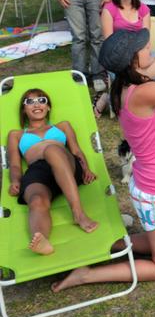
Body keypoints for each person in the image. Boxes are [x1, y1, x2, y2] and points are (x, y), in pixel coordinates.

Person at [51, 0, 155, 292]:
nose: (146, 47)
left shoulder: (127, 83)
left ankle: (104, 246)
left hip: (153, 184)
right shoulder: (143, 94)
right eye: (141, 47)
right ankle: (86, 275)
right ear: (134, 59)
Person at [7, 89, 97, 256]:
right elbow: (14, 165)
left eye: (41, 100)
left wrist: (86, 169)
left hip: (66, 164)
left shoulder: (62, 126)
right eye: (30, 102)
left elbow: (76, 151)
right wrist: (15, 181)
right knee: (36, 200)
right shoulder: (16, 135)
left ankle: (78, 214)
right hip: (38, 171)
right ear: (23, 110)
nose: (36, 104)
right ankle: (42, 239)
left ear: (48, 107)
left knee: (52, 151)